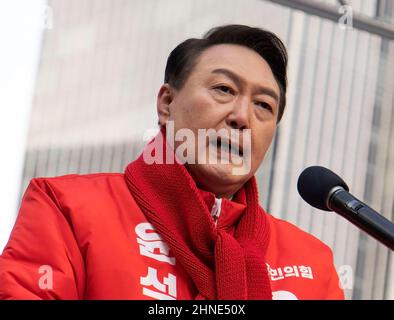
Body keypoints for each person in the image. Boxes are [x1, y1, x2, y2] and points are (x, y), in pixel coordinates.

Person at [0, 24, 344, 300]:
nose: (242, 117)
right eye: (224, 89)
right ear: (167, 103)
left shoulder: (311, 262)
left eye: (264, 106)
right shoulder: (68, 208)